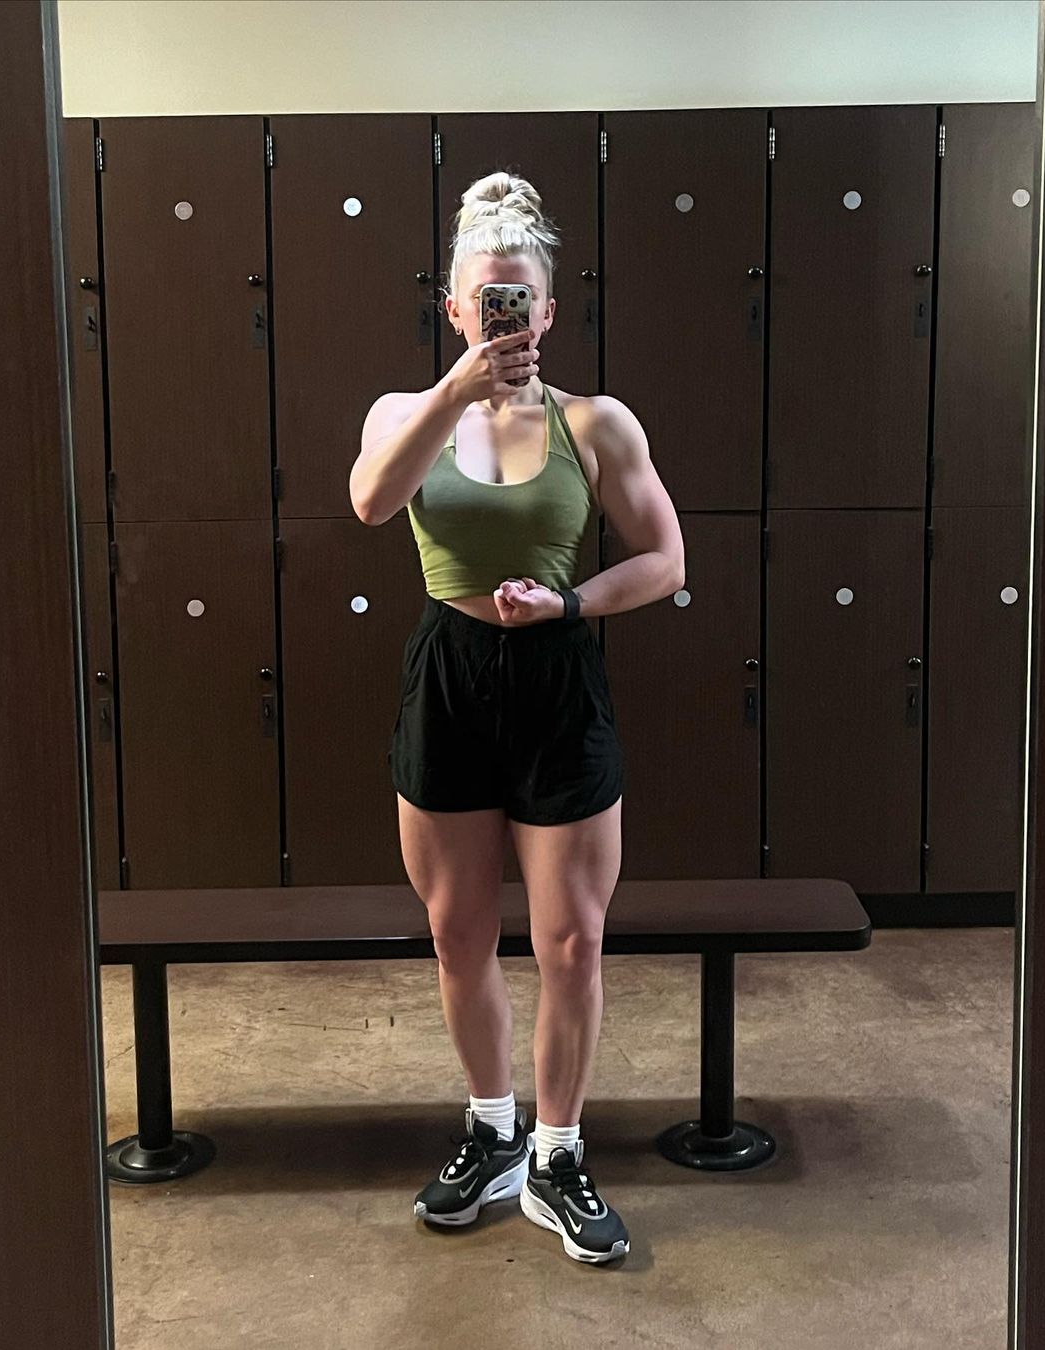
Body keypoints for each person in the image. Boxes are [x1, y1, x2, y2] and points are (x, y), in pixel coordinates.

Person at [350, 170, 684, 1264]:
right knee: (457, 931)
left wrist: (570, 604)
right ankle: (491, 1130)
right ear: (453, 306)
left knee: (571, 938)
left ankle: (557, 1151)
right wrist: (456, 393)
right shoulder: (403, 414)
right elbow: (371, 501)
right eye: (484, 298)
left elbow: (666, 559)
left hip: (557, 676)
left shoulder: (595, 422)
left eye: (520, 299)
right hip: (449, 676)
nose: (504, 317)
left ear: (546, 310)